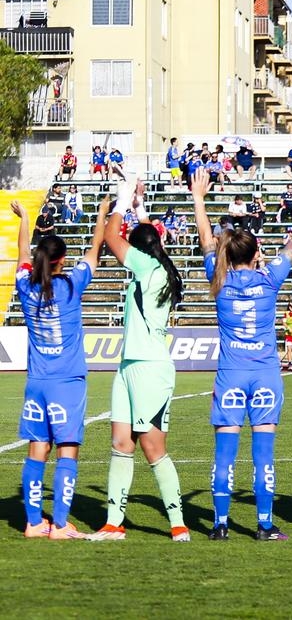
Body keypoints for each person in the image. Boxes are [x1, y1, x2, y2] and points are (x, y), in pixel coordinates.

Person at [192, 169, 292, 541]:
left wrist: (198, 197)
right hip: (265, 376)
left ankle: (220, 524)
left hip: (230, 374)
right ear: (258, 253)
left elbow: (206, 240)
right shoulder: (269, 278)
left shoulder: (219, 278)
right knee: (264, 453)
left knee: (224, 453)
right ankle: (263, 524)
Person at [89, 182, 188, 541]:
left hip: (150, 368)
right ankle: (114, 524)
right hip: (128, 365)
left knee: (152, 447)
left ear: (141, 248)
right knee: (120, 443)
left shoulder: (148, 268)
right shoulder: (153, 266)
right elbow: (146, 235)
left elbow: (112, 236)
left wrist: (124, 192)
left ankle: (178, 524)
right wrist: (140, 205)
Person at [12, 197, 104, 539]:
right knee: (67, 448)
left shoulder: (25, 286)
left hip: (37, 381)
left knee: (37, 449)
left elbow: (23, 252)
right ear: (62, 260)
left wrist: (26, 219)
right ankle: (61, 524)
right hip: (67, 382)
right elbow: (94, 251)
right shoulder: (70, 286)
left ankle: (34, 523)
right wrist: (101, 215)